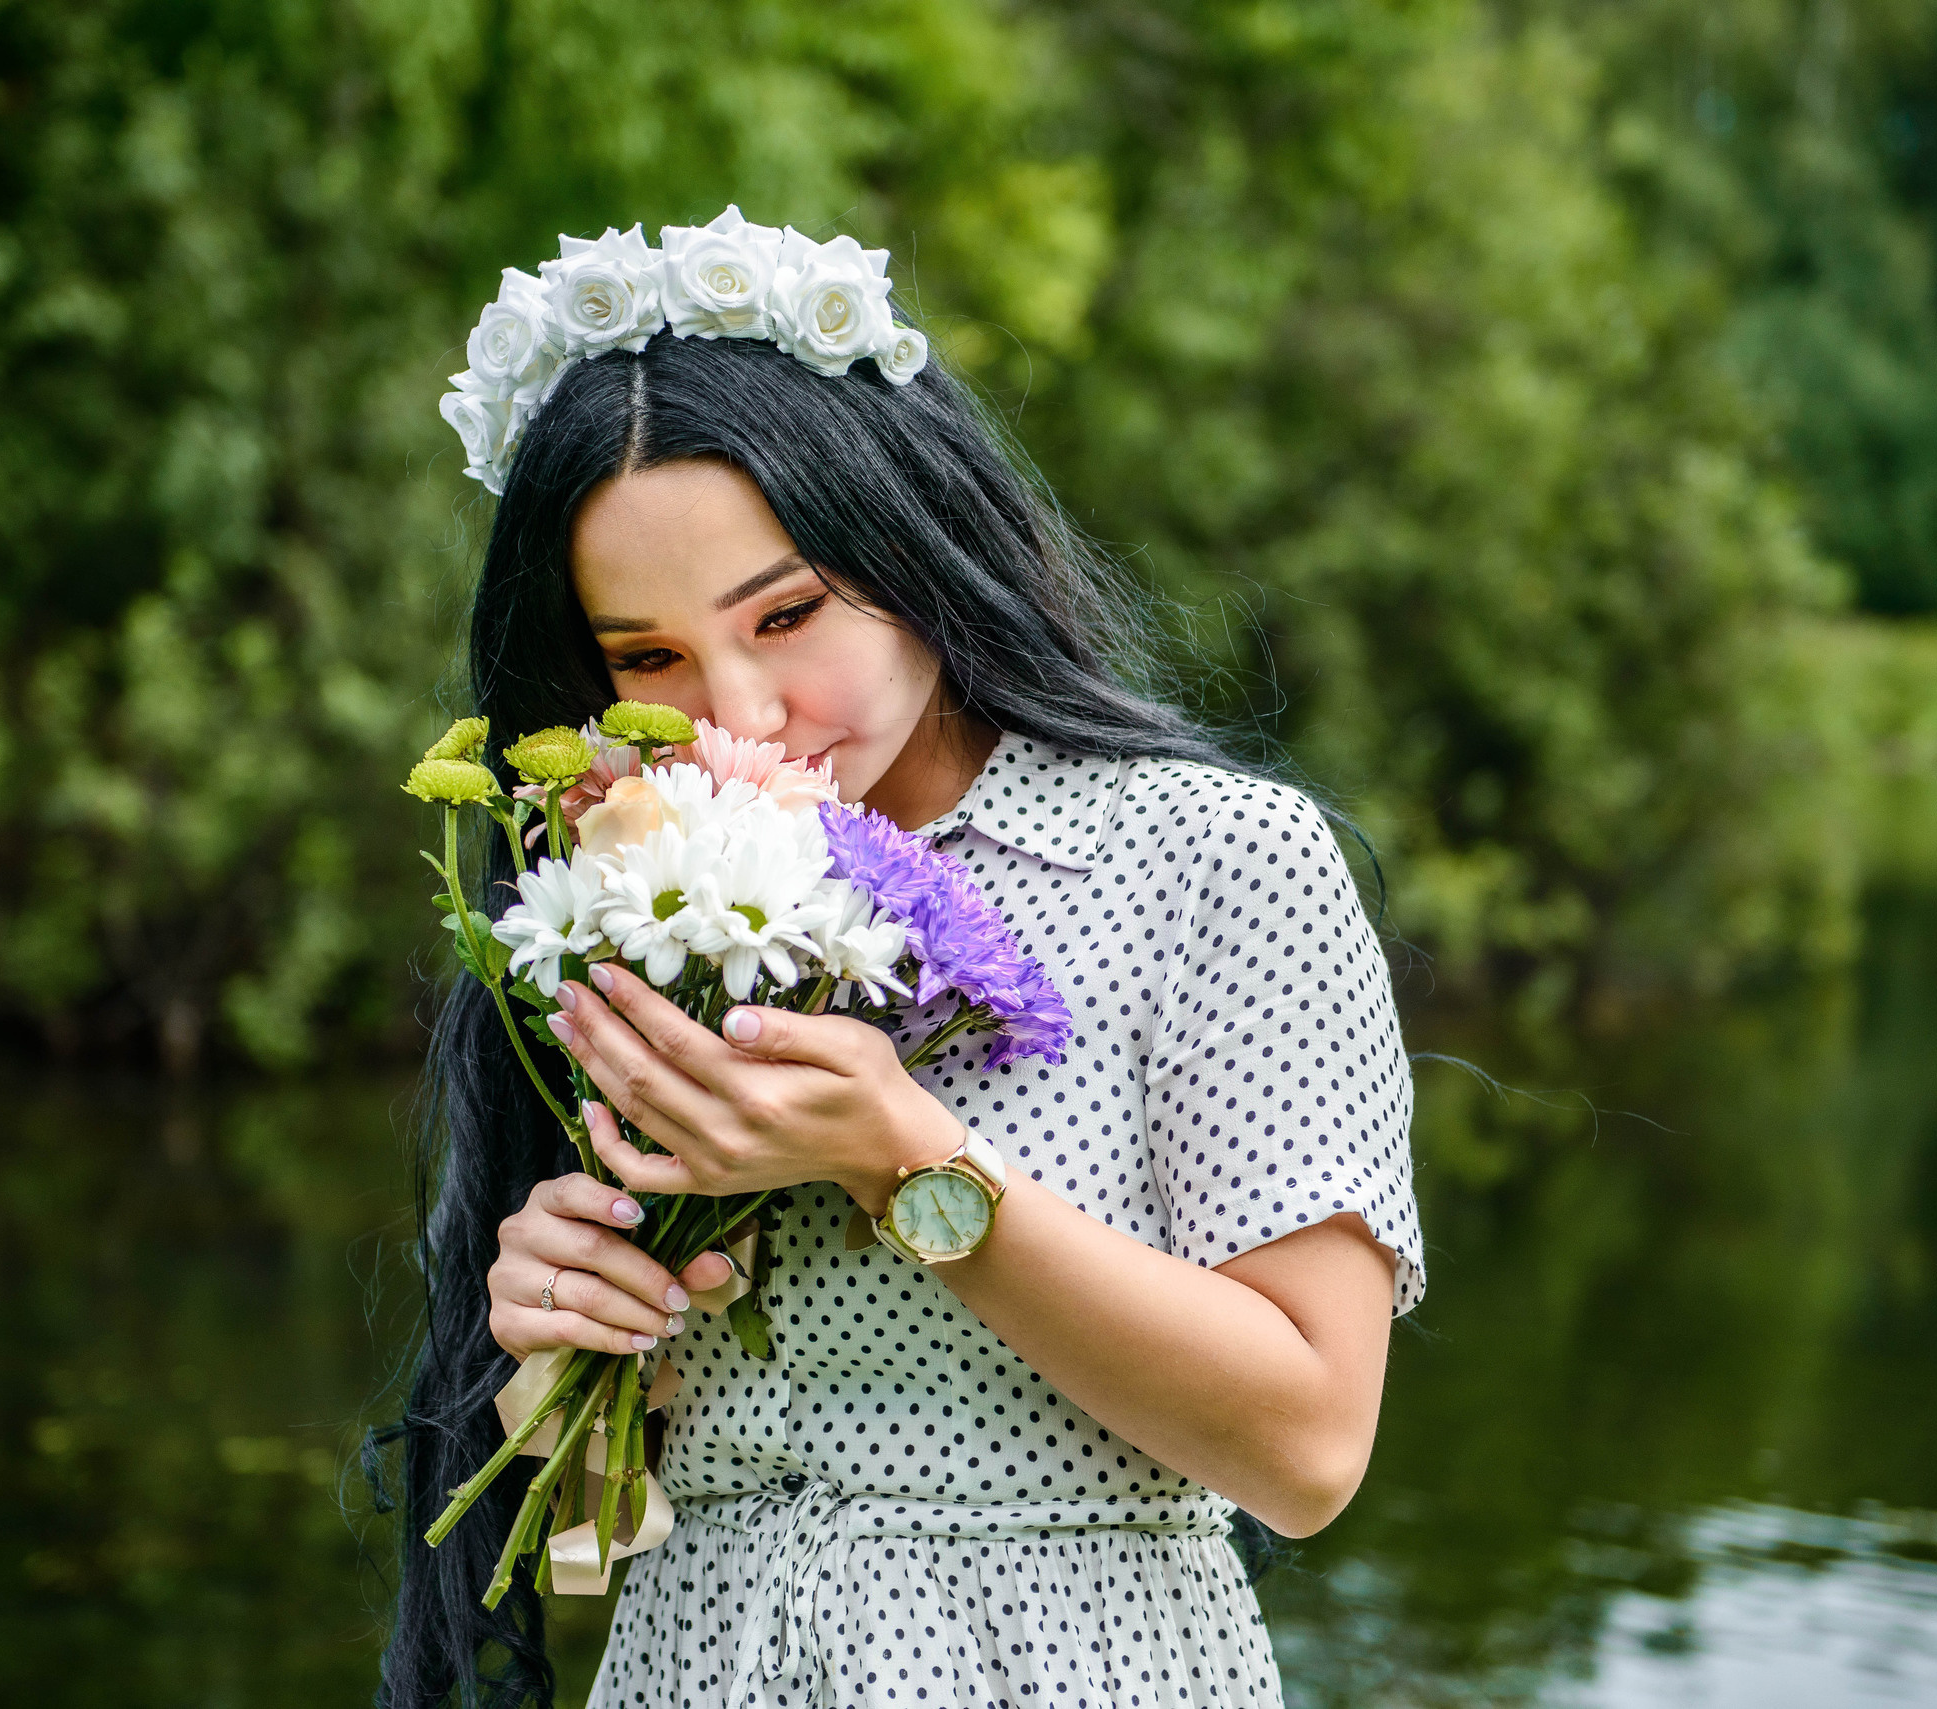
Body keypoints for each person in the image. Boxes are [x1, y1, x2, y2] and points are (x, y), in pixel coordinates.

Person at [381, 213, 1425, 1709]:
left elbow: (1309, 1446)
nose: (740, 712)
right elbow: (605, 1533)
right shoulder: (637, 876)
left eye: (787, 613)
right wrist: (570, 1340)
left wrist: (907, 1163)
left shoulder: (1211, 858)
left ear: (918, 533)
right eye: (649, 658)